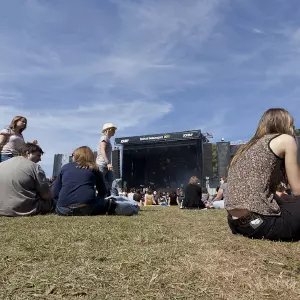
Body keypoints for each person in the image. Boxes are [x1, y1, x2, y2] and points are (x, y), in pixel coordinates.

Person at [226, 108, 300, 241]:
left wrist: (285, 201)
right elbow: (298, 189)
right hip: (262, 223)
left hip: (235, 222)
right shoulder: (285, 140)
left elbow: (255, 191)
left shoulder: (246, 148)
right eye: (291, 125)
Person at [52, 146, 108, 216]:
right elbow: (103, 192)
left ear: (76, 156)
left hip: (63, 210)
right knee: (105, 202)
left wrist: (63, 202)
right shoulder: (94, 169)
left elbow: (54, 193)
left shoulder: (65, 167)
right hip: (87, 208)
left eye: (72, 155)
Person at [0, 143, 53, 216]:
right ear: (28, 153)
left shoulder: (2, 164)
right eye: (38, 155)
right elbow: (45, 196)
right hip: (24, 209)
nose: (40, 159)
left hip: (1, 209)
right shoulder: (35, 167)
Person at [96, 123, 117, 195]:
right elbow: (102, 150)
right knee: (100, 185)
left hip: (105, 166)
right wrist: (108, 163)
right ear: (108, 130)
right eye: (113, 129)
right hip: (102, 165)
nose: (114, 131)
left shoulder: (107, 139)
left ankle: (114, 202)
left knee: (113, 184)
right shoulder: (104, 138)